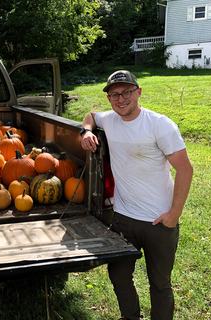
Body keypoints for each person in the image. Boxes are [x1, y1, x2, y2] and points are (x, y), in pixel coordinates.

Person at [80, 70, 193, 320]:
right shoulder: (109, 120)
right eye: (114, 94)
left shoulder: (159, 125)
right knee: (119, 276)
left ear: (138, 92)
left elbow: (185, 169)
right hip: (123, 219)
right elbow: (90, 116)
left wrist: (173, 215)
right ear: (109, 98)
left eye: (127, 92)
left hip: (159, 222)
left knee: (160, 284)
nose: (121, 99)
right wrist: (86, 131)